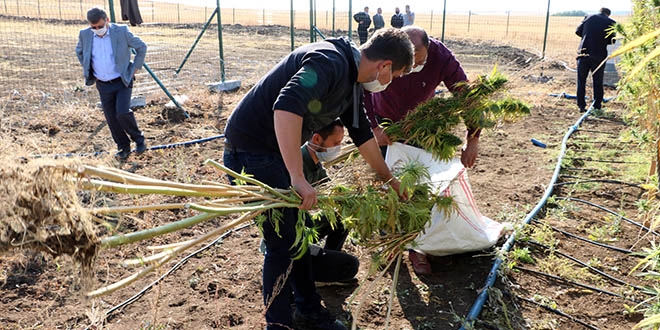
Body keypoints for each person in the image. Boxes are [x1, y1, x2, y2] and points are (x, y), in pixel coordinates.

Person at [222, 28, 413, 330]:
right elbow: (286, 106)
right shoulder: (330, 61)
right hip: (251, 151)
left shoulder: (353, 83)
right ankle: (279, 323)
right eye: (396, 75)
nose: (391, 83)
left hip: (271, 153)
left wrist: (389, 180)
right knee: (282, 243)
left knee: (296, 235)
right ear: (385, 66)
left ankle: (307, 309)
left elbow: (363, 136)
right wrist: (297, 176)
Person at [364, 26, 480, 275]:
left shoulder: (441, 57)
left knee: (419, 187)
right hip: (384, 126)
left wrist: (473, 139)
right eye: (406, 62)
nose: (411, 67)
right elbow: (363, 87)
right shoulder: (386, 54)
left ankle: (419, 248)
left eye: (418, 60)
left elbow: (466, 97)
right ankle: (389, 244)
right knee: (387, 186)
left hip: (419, 127)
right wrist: (373, 127)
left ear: (428, 48)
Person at [76, 7, 147, 160]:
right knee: (111, 117)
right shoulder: (85, 35)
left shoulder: (121, 31)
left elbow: (141, 47)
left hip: (122, 80)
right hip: (102, 83)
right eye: (93, 27)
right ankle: (123, 147)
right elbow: (79, 51)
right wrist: (88, 68)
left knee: (122, 112)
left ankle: (139, 140)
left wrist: (134, 68)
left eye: (100, 26)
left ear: (107, 20)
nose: (97, 30)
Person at [302, 119, 358, 286]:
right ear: (317, 139)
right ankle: (312, 270)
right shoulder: (297, 163)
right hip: (293, 238)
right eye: (336, 143)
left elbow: (331, 191)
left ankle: (324, 262)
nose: (338, 148)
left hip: (306, 228)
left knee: (342, 214)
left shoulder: (315, 163)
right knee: (350, 265)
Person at [575, 7, 616, 112]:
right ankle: (597, 105)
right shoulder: (611, 22)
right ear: (608, 14)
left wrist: (587, 37)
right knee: (597, 80)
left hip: (583, 52)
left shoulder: (588, 17)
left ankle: (581, 105)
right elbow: (612, 41)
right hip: (599, 55)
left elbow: (578, 31)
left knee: (581, 80)